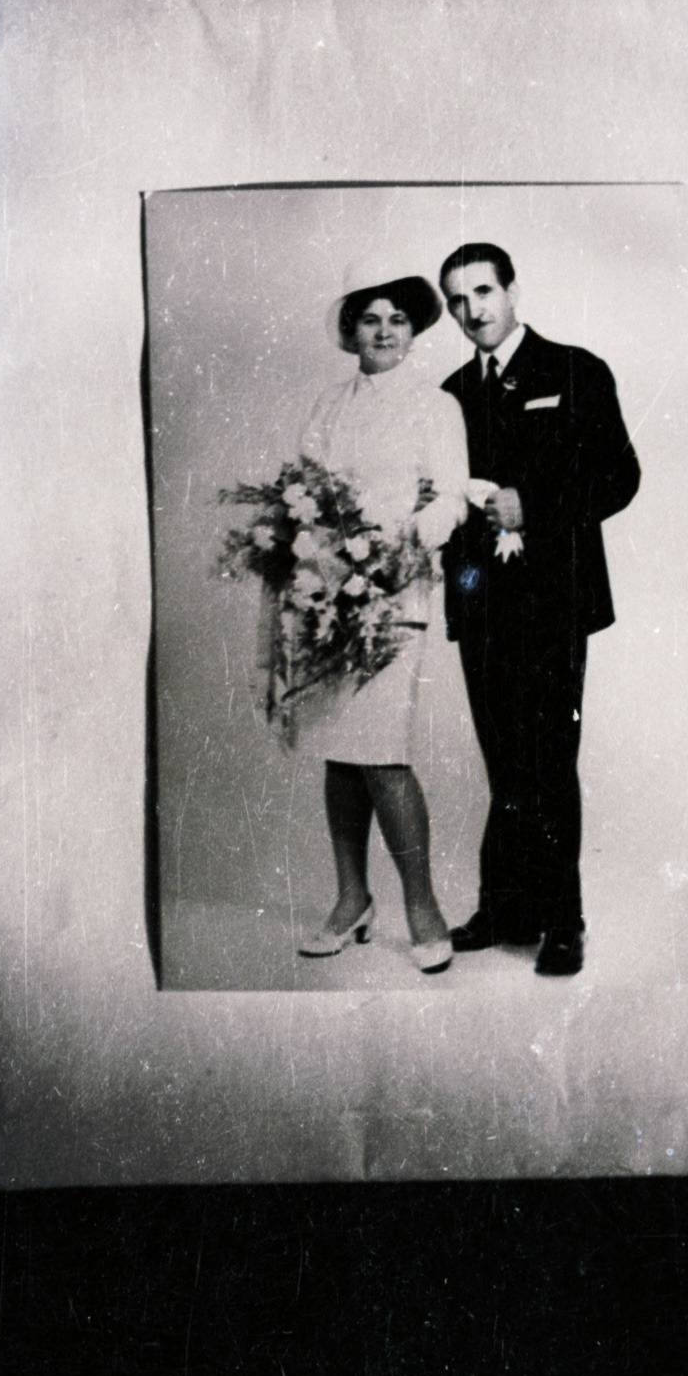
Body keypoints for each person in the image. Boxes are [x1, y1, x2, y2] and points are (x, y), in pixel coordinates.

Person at [438, 242, 641, 976]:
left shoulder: (573, 370)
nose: (473, 311)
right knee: (504, 764)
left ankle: (563, 921)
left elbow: (619, 476)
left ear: (512, 288)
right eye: (458, 301)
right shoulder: (451, 390)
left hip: (554, 604)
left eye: (483, 291)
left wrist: (538, 506)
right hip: (482, 607)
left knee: (549, 761)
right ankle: (504, 909)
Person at [292, 255, 469, 974]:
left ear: (413, 331)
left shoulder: (434, 404)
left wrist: (400, 544)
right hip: (326, 592)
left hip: (396, 592)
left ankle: (421, 906)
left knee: (382, 753)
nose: (385, 330)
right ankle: (351, 898)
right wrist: (318, 554)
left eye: (398, 319)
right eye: (371, 318)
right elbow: (301, 486)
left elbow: (451, 497)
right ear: (351, 329)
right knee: (340, 752)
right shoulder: (329, 406)